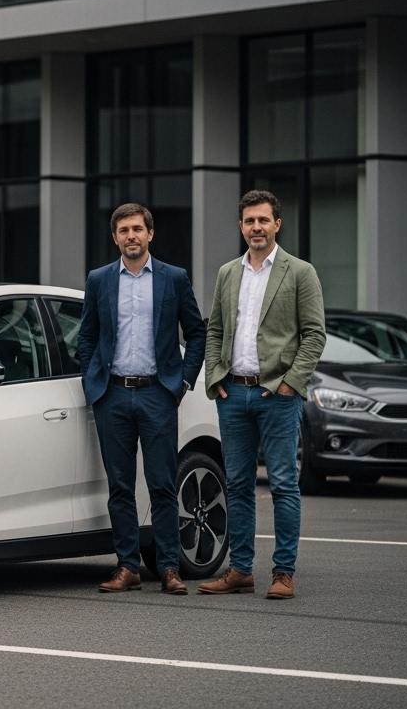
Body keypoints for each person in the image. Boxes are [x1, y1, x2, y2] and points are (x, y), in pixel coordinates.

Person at [198, 190, 325, 600]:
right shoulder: (227, 273)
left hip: (277, 396)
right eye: (249, 221)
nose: (256, 228)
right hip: (233, 393)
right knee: (237, 486)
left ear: (277, 224)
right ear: (241, 226)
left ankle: (283, 573)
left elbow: (314, 334)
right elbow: (214, 328)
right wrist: (215, 377)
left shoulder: (299, 272)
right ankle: (240, 570)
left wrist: (290, 383)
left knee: (284, 485)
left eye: (263, 221)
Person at [77, 203, 205, 595]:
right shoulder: (99, 280)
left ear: (150, 233)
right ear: (114, 237)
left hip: (157, 395)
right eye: (123, 230)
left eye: (137, 229)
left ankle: (168, 568)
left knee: (163, 484)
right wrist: (91, 382)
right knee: (119, 485)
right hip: (112, 395)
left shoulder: (174, 278)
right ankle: (127, 566)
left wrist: (182, 383)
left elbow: (197, 332)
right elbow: (87, 336)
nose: (131, 236)